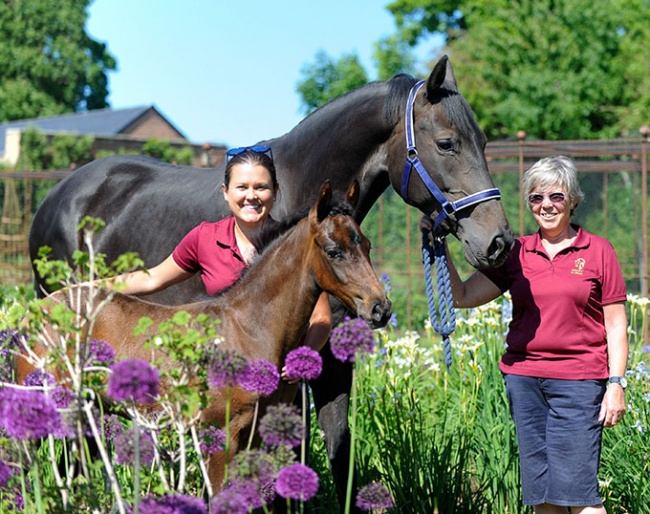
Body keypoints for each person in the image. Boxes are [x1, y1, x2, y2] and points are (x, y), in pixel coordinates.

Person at [423, 156, 628, 514]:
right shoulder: (516, 252)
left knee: (581, 498)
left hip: (579, 383)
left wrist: (616, 383)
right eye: (536, 198)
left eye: (556, 197)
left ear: (573, 200)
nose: (546, 205)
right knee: (542, 496)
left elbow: (615, 324)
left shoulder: (598, 251)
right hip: (525, 382)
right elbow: (464, 297)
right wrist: (439, 251)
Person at [106, 145, 332, 379]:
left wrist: (304, 357)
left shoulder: (295, 244)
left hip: (276, 382)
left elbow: (321, 318)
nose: (251, 196)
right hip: (220, 378)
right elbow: (152, 278)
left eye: (261, 187)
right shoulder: (204, 237)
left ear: (275, 191)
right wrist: (90, 289)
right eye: (241, 187)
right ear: (226, 192)